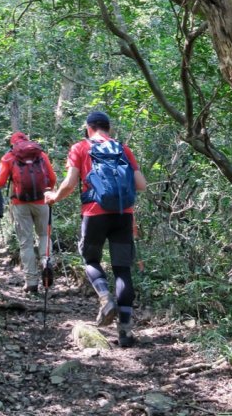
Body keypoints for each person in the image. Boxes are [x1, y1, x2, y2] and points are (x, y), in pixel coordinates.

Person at [44, 111, 147, 348]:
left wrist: (53, 197)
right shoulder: (123, 149)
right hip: (124, 215)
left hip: (94, 214)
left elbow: (70, 184)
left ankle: (104, 298)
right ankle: (125, 331)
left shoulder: (80, 148)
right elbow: (141, 185)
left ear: (88, 128)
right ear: (108, 128)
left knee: (90, 260)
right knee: (123, 269)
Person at [0, 131, 56, 294]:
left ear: (12, 143)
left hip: (20, 204)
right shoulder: (41, 154)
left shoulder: (9, 157)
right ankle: (45, 260)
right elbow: (52, 177)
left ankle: (31, 282)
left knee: (26, 242)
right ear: (27, 141)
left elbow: (0, 183)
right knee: (44, 235)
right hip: (42, 201)